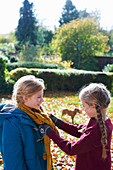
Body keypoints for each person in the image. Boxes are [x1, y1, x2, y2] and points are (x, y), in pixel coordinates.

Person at [39, 83, 113, 170]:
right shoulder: (103, 120)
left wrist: (50, 133)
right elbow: (79, 130)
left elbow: (71, 149)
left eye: (84, 106)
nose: (83, 109)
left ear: (93, 106)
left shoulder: (96, 130)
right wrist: (58, 122)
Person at [0, 75, 59, 170]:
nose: (42, 100)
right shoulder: (12, 122)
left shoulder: (37, 116)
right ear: (25, 98)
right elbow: (13, 161)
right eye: (39, 97)